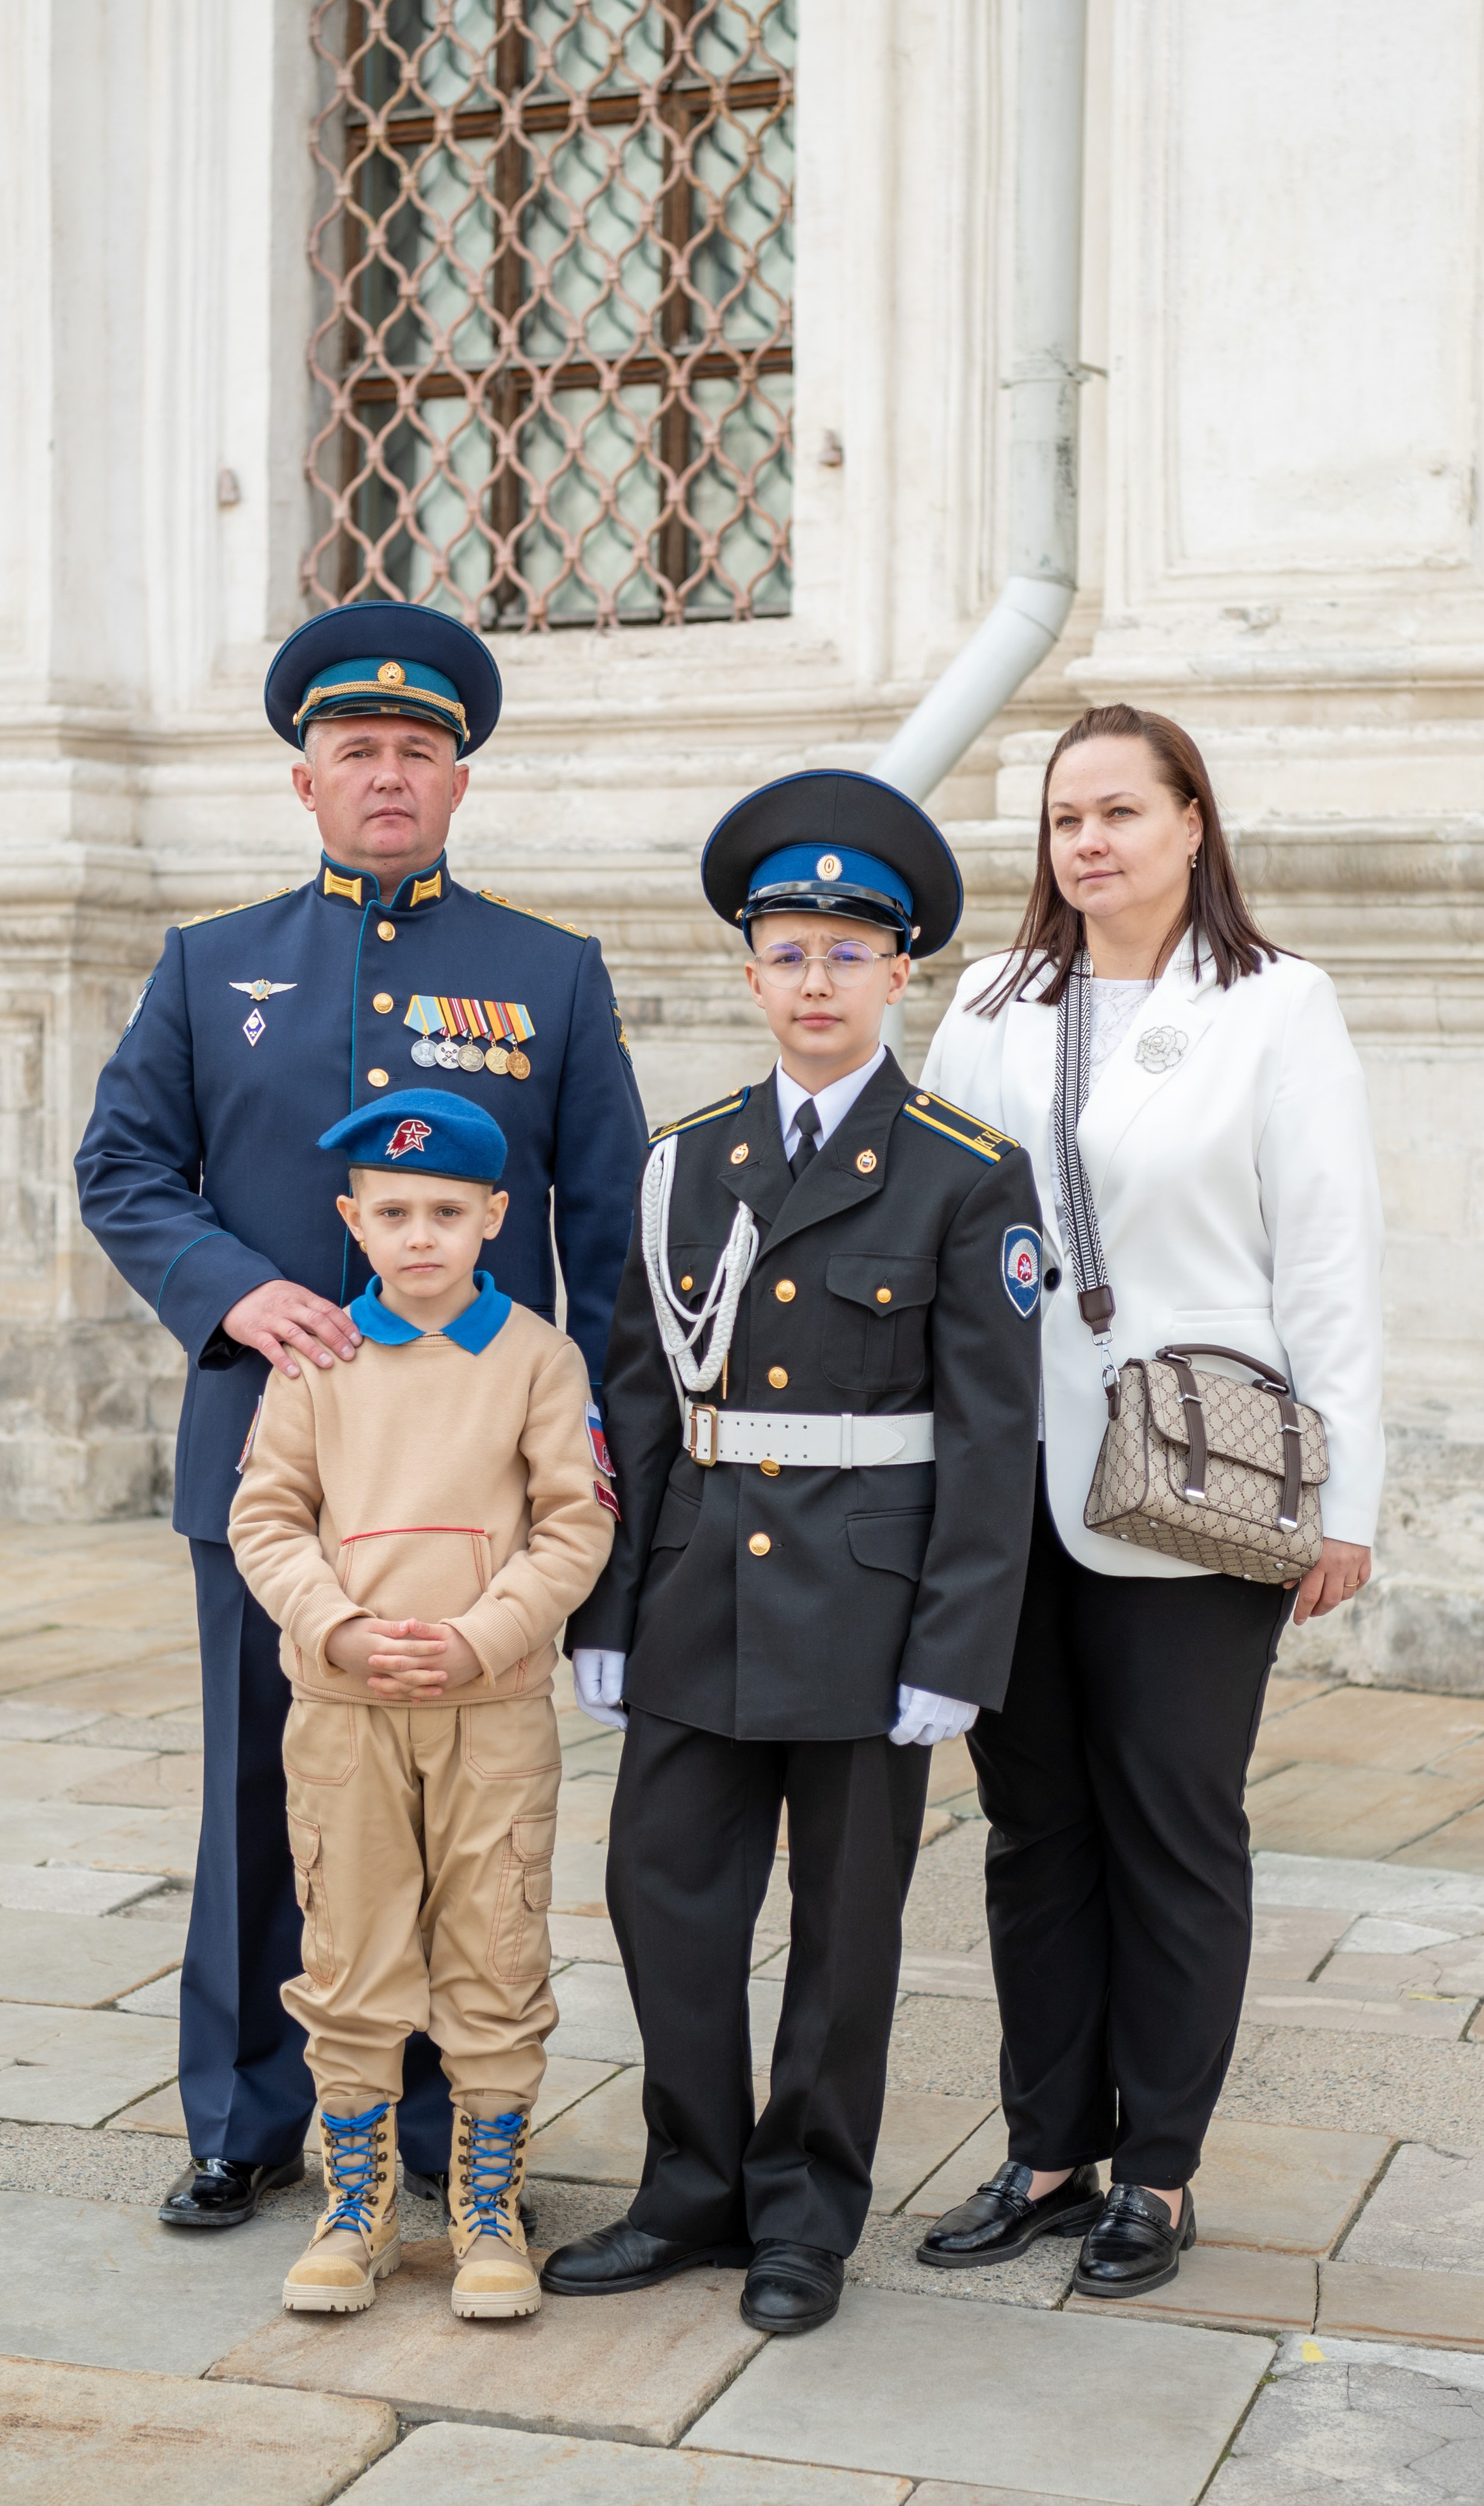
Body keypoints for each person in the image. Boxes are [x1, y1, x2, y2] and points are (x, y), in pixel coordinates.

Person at [75, 602, 647, 2231]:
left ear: (457, 783)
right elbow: (122, 1166)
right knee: (268, 1794)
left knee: (454, 1806)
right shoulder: (211, 966)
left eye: (415, 753)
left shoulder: (547, 974)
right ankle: (248, 2114)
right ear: (306, 784)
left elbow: (601, 1231)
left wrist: (593, 1464)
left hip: (475, 1490)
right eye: (355, 754)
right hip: (276, 1462)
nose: (385, 777)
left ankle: (433, 2117)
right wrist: (231, 1289)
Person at [542, 770, 1044, 2336]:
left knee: (843, 1931)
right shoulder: (685, 1161)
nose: (814, 980)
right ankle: (688, 2186)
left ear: (900, 973)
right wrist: (606, 1608)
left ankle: (804, 2211)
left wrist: (956, 1652)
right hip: (696, 1585)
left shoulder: (965, 1169)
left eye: (846, 950)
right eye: (787, 950)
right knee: (660, 1893)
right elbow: (637, 1391)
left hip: (865, 1608)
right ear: (747, 970)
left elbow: (989, 1431)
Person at [914, 703, 1383, 2297]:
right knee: (1030, 1826)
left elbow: (1325, 1259)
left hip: (1197, 1479)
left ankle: (1159, 2171)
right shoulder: (989, 1000)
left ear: (1192, 822)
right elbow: (931, 1231)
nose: (1090, 843)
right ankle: (1048, 2148)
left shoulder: (1274, 1006)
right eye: (1065, 821)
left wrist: (1347, 1497)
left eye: (1121, 810)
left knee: (1174, 1824)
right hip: (1002, 1482)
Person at [228, 1089, 613, 2318]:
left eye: (448, 1211)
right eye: (393, 1213)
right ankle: (359, 2210)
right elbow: (267, 1515)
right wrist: (337, 1625)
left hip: (489, 1709)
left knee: (494, 1940)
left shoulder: (540, 1359)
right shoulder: (320, 1359)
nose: (421, 1236)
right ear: (354, 1218)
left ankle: (485, 2209)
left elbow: (577, 1521)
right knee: (348, 1944)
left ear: (497, 1215)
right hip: (342, 1711)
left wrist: (482, 1637)